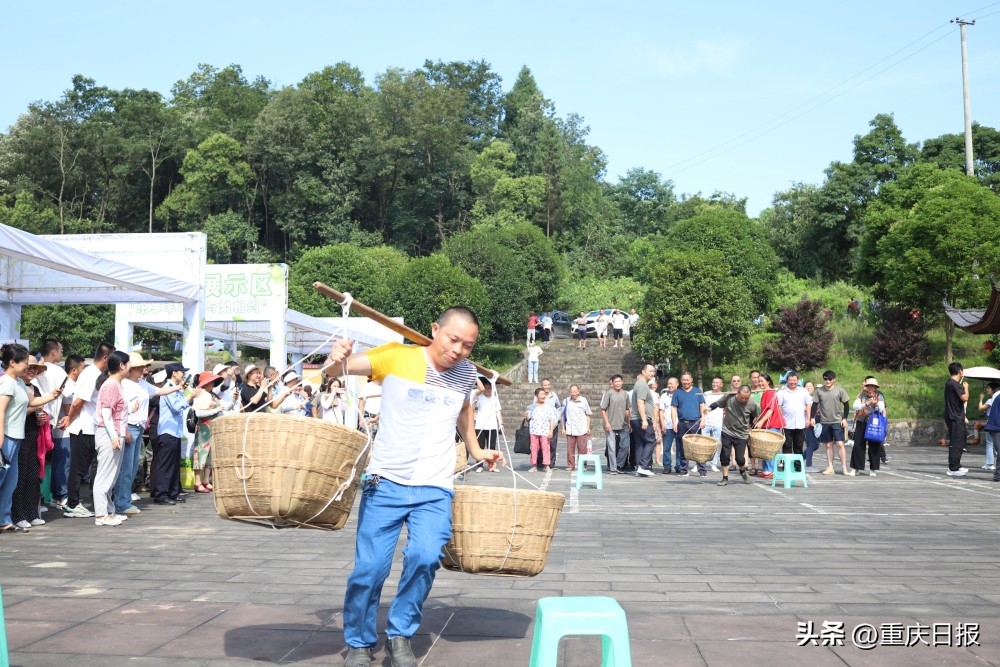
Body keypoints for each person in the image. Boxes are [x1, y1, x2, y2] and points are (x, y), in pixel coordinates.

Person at [324, 306, 503, 667]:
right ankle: (359, 642)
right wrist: (334, 360)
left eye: (467, 345)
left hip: (435, 486)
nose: (458, 350)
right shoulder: (395, 357)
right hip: (385, 482)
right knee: (370, 569)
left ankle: (400, 633)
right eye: (453, 339)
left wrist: (476, 449)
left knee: (424, 557)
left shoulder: (466, 373)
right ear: (435, 329)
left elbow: (463, 410)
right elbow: (336, 373)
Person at [1, 344, 61, 533]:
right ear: (12, 362)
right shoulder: (7, 382)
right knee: (4, 479)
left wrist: (51, 396)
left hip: (17, 437)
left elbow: (32, 402)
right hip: (8, 437)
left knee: (11, 481)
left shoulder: (18, 382)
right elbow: (0, 412)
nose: (28, 367)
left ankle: (4, 519)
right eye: (25, 363)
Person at [61, 342, 114, 518]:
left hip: (92, 427)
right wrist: (69, 417)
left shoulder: (98, 374)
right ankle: (72, 504)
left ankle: (79, 502)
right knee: (78, 468)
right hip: (83, 427)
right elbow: (78, 402)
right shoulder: (91, 374)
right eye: (111, 359)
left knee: (87, 468)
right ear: (105, 358)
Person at [153, 363, 201, 505]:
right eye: (181, 372)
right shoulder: (168, 388)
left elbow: (182, 404)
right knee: (166, 464)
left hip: (175, 431)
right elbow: (176, 407)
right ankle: (161, 494)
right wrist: (189, 396)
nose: (183, 375)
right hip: (167, 431)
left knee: (174, 464)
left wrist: (190, 397)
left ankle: (173, 492)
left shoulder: (177, 389)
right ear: (174, 373)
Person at [11, 357, 51, 529]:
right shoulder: (15, 386)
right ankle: (17, 514)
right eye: (30, 367)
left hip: (33, 436)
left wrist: (42, 417)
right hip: (18, 435)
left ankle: (31, 512)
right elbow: (18, 411)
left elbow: (38, 410)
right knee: (19, 477)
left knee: (32, 476)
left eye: (36, 368)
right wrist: (37, 407)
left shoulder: (34, 387)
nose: (33, 370)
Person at [93, 350, 131, 526]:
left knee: (111, 476)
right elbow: (106, 413)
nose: (130, 367)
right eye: (128, 364)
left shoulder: (116, 384)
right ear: (122, 365)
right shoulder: (111, 385)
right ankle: (101, 515)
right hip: (109, 434)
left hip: (115, 433)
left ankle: (109, 511)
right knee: (105, 475)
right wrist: (114, 436)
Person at [708, 385, 760, 486]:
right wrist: (709, 408)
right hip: (727, 430)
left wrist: (752, 425)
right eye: (742, 397)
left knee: (740, 459)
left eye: (746, 398)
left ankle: (742, 471)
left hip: (742, 434)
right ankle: (725, 478)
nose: (744, 399)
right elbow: (717, 404)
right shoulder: (729, 397)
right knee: (725, 455)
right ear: (737, 393)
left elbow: (754, 416)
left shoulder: (752, 404)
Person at [192, 370, 226, 493]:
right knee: (201, 452)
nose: (212, 384)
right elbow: (198, 413)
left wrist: (233, 400)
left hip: (213, 427)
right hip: (203, 427)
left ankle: (206, 480)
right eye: (210, 381)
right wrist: (215, 410)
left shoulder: (214, 396)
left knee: (210, 455)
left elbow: (225, 407)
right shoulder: (200, 394)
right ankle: (197, 481)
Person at [814, 370, 851, 476]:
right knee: (828, 445)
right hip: (824, 421)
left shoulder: (840, 390)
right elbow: (814, 404)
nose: (827, 381)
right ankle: (830, 467)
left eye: (830, 379)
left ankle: (844, 467)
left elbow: (846, 404)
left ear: (834, 379)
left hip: (837, 421)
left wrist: (845, 418)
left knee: (840, 443)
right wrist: (812, 417)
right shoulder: (819, 391)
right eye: (825, 379)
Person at [672, 371, 708, 477]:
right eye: (684, 380)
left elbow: (702, 406)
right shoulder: (677, 393)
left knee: (698, 447)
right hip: (682, 423)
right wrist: (674, 422)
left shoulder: (698, 391)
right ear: (681, 380)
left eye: (687, 380)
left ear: (691, 380)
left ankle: (702, 471)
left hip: (696, 423)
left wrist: (703, 419)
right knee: (682, 447)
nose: (686, 382)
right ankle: (684, 470)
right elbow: (673, 408)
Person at [850, 378, 886, 477]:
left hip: (874, 423)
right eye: (869, 385)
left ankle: (873, 469)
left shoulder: (879, 395)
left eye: (873, 386)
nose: (870, 388)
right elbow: (855, 406)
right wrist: (865, 404)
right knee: (858, 445)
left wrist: (876, 404)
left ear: (875, 387)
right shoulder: (861, 394)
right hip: (861, 421)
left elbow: (882, 407)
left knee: (874, 445)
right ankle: (855, 468)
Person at [754, 373, 785, 478]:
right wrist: (758, 418)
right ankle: (767, 470)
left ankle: (773, 470)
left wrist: (761, 421)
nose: (760, 383)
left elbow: (771, 410)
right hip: (767, 423)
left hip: (773, 423)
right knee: (765, 448)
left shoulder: (771, 392)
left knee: (771, 448)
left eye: (762, 381)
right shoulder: (764, 393)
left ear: (768, 381)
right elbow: (765, 409)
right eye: (759, 381)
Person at [630, 364, 657, 477]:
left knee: (640, 443)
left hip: (636, 419)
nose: (652, 373)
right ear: (643, 371)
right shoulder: (641, 385)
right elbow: (640, 402)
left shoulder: (641, 384)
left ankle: (639, 467)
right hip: (641, 419)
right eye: (650, 371)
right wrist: (644, 420)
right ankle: (643, 466)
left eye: (653, 372)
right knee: (651, 441)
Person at [776, 371, 812, 456]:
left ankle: (797, 468)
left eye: (794, 380)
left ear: (798, 380)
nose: (792, 382)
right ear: (787, 381)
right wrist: (780, 418)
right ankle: (787, 468)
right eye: (790, 380)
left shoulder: (803, 391)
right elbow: (778, 406)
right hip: (786, 424)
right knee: (787, 446)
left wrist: (808, 418)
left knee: (799, 447)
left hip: (800, 423)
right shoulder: (782, 392)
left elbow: (808, 404)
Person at [600, 375, 630, 474]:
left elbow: (627, 410)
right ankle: (613, 468)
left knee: (625, 446)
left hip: (623, 425)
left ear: (622, 382)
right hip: (611, 425)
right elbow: (603, 410)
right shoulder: (609, 393)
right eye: (615, 382)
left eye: (619, 381)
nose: (617, 383)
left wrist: (629, 423)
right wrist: (607, 423)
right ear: (612, 383)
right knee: (612, 448)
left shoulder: (625, 394)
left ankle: (618, 465)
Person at [944, 362, 970, 477]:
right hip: (954, 417)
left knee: (961, 439)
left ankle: (957, 465)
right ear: (960, 371)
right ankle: (953, 468)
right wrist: (966, 388)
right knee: (956, 442)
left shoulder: (950, 383)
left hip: (956, 416)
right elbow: (965, 398)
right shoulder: (954, 384)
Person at [472, 381, 502, 471]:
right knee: (480, 446)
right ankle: (480, 466)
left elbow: (498, 411)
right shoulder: (479, 397)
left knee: (491, 446)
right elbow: (473, 408)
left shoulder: (495, 398)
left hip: (492, 425)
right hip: (480, 425)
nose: (487, 390)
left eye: (489, 388)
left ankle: (491, 465)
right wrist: (475, 402)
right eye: (486, 388)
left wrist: (501, 423)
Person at [561, 384, 591, 472]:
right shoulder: (566, 401)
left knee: (582, 449)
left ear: (578, 392)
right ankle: (571, 465)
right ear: (569, 392)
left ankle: (583, 465)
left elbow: (588, 414)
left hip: (581, 428)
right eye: (572, 392)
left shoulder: (583, 400)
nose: (573, 393)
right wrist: (563, 428)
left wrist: (588, 427)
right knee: (570, 449)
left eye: (575, 391)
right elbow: (563, 415)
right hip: (570, 428)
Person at [527, 387, 558, 472]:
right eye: (541, 394)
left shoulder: (548, 407)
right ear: (537, 396)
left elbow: (552, 419)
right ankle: (534, 465)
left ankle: (546, 465)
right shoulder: (532, 406)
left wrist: (551, 431)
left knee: (546, 448)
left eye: (544, 394)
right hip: (534, 431)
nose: (543, 396)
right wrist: (526, 415)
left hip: (545, 431)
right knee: (533, 448)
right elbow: (528, 418)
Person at [701, 375, 726, 473]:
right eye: (713, 382)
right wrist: (702, 420)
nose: (715, 384)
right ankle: (701, 463)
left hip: (718, 423)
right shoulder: (706, 394)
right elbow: (702, 407)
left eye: (717, 383)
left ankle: (714, 464)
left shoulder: (724, 395)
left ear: (721, 385)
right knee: (703, 444)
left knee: (716, 444)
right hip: (706, 422)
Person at [659, 377, 678, 473]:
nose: (670, 385)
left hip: (679, 425)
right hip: (668, 425)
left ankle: (679, 466)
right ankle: (667, 466)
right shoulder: (663, 396)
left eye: (672, 384)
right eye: (668, 384)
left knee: (680, 447)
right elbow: (661, 411)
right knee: (666, 447)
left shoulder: (680, 395)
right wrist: (662, 424)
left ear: (677, 384)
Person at [979, 383, 998, 472]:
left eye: (988, 388)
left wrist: (981, 399)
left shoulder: (991, 400)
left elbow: (981, 408)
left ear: (992, 389)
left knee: (990, 444)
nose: (987, 389)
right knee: (996, 444)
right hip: (997, 422)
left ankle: (990, 463)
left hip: (991, 422)